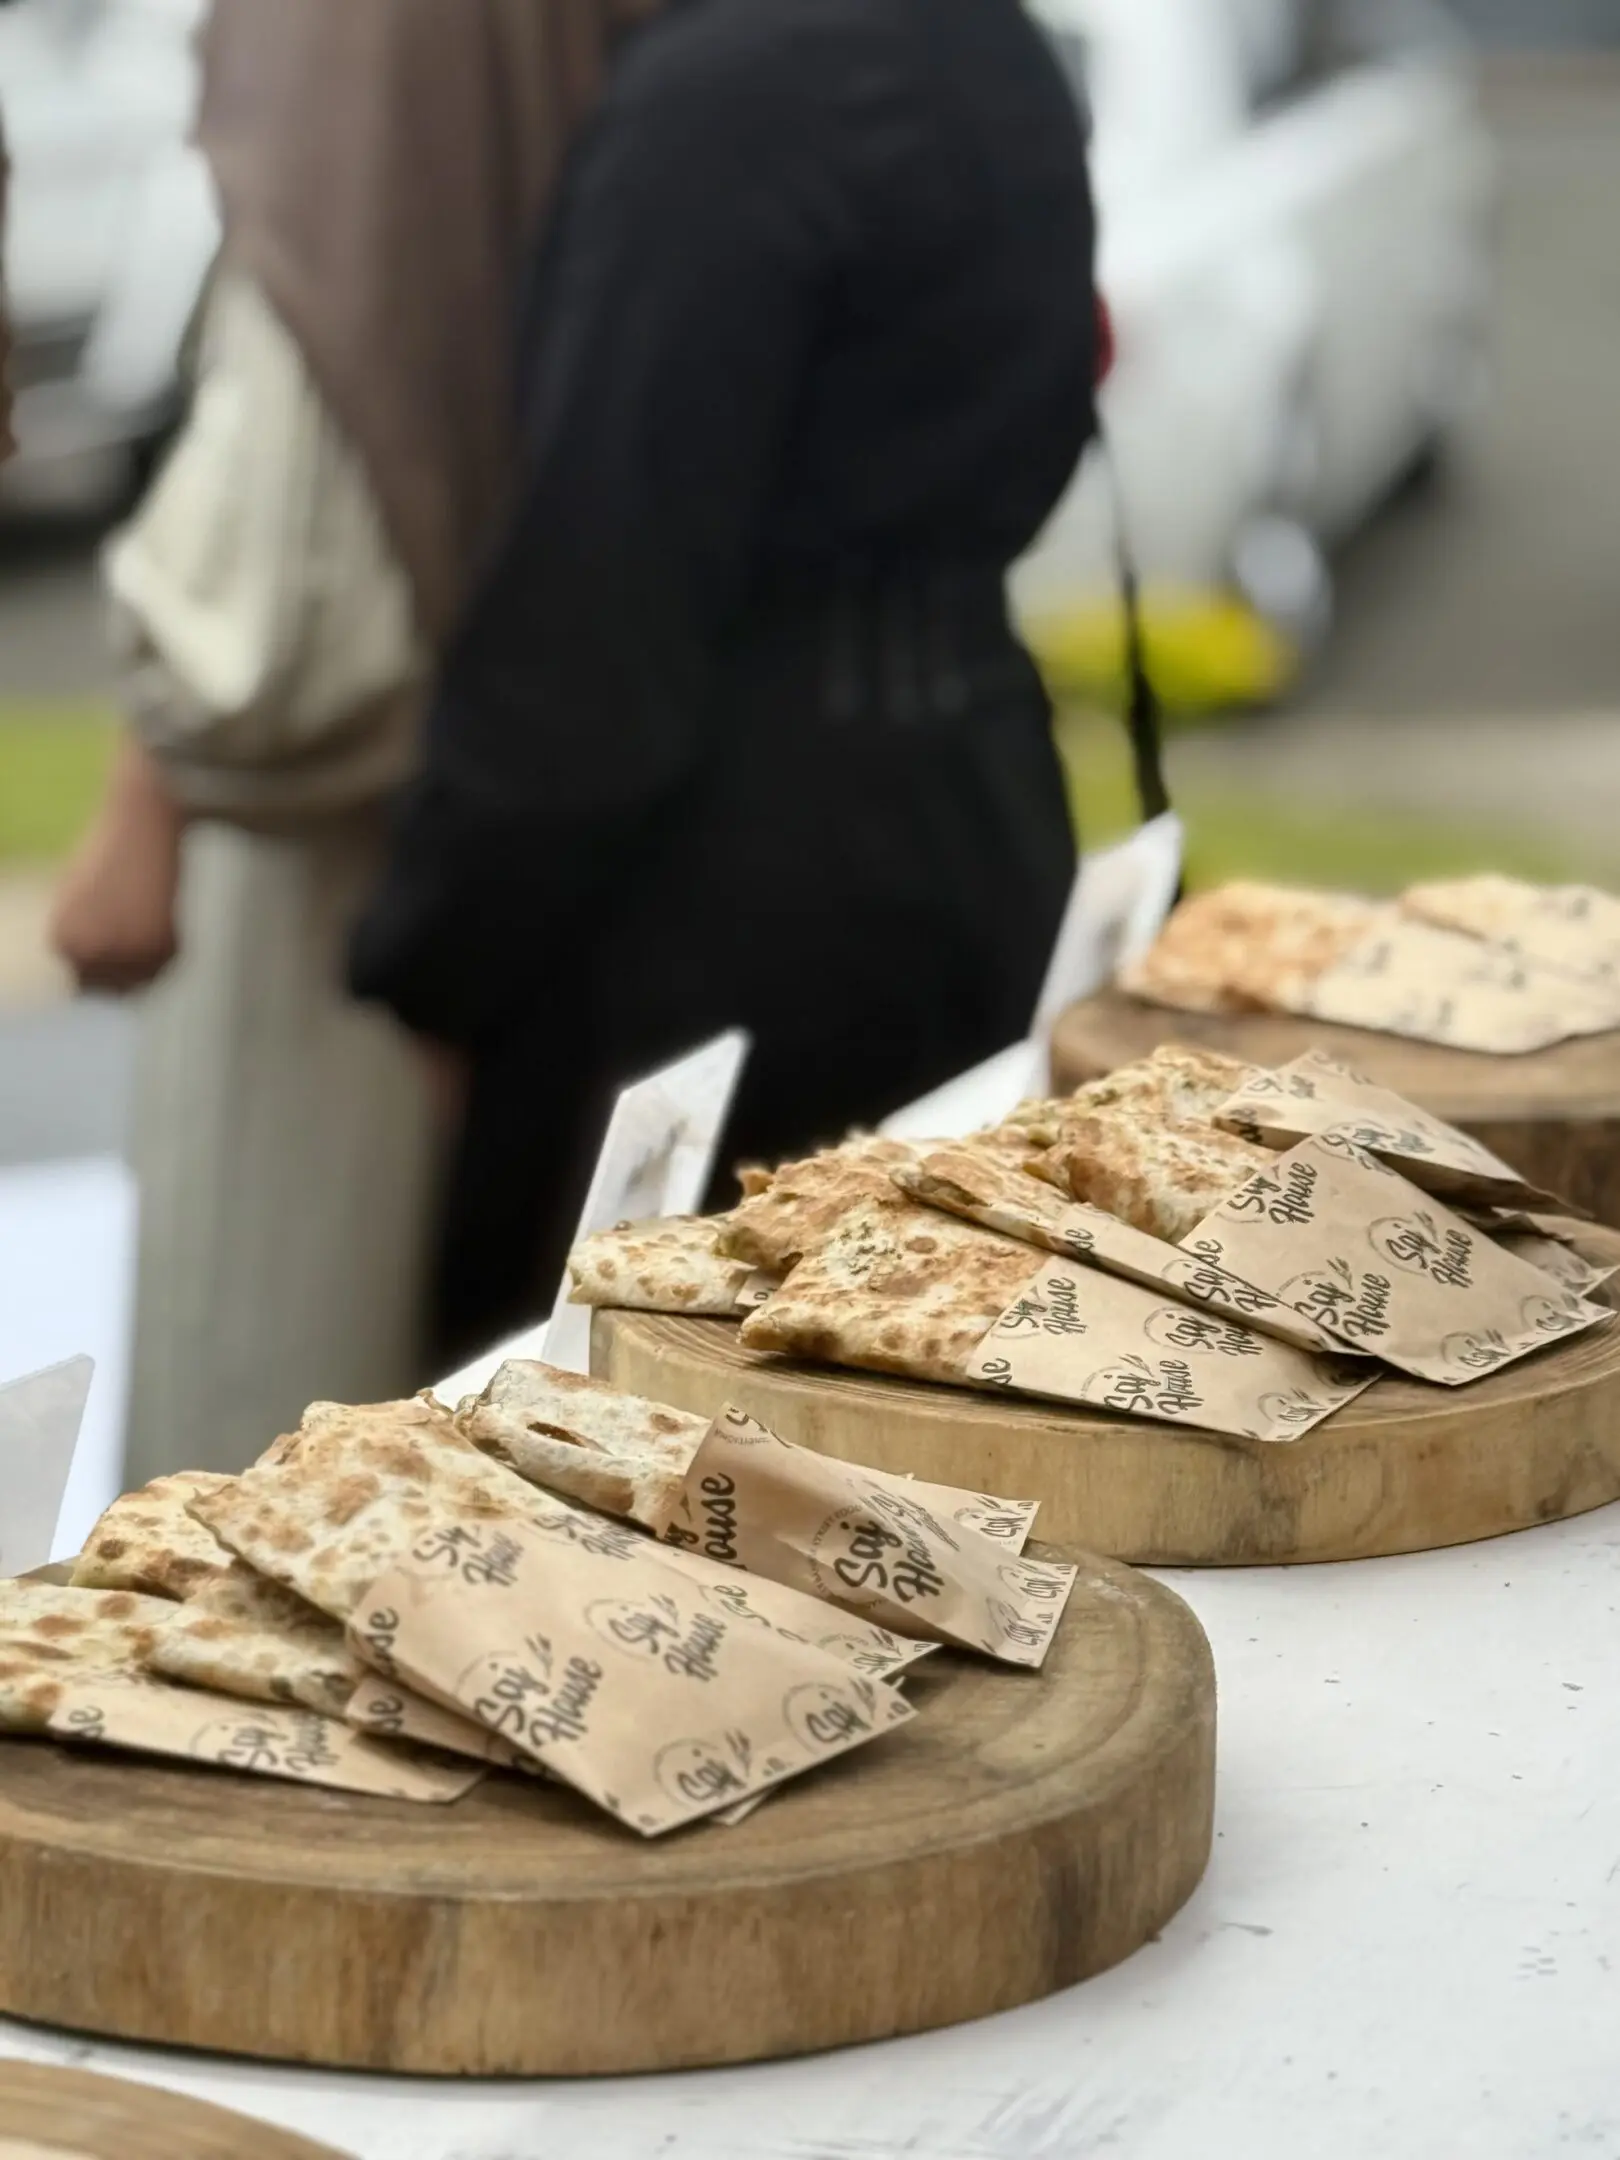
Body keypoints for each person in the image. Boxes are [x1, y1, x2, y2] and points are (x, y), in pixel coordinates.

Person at [351, 0, 1101, 1361]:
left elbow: (597, 606)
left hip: (735, 915)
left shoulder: (720, 107)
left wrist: (438, 952)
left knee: (670, 1479)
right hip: (978, 823)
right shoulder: (994, 48)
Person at [49, 0, 658, 1479]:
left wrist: (153, 794)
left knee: (298, 1472)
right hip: (534, 807)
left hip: (343, 866)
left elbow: (283, 581)